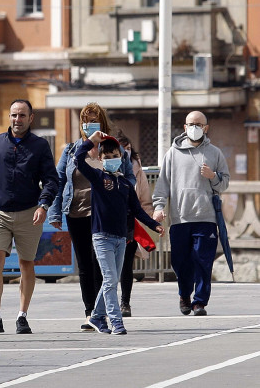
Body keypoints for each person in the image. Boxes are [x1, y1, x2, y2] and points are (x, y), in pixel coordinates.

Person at [0, 99, 59, 335]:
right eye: (13, 115)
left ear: (31, 118)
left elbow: (51, 179)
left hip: (30, 212)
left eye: (21, 115)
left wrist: (44, 205)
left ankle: (22, 316)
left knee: (26, 263)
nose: (17, 120)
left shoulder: (40, 146)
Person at [47, 103, 136, 331]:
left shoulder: (114, 150)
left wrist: (122, 200)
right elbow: (60, 182)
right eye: (86, 120)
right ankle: (90, 313)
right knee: (85, 265)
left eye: (94, 119)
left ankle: (102, 313)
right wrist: (54, 211)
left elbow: (129, 179)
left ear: (103, 122)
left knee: (103, 268)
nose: (90, 124)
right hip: (77, 212)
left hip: (104, 216)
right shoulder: (71, 150)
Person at [75, 131, 163, 335]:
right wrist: (91, 141)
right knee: (109, 279)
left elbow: (137, 209)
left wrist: (153, 225)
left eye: (115, 156)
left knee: (112, 280)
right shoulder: (98, 178)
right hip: (102, 236)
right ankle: (116, 321)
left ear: (121, 157)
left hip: (121, 238)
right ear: (100, 159)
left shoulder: (125, 184)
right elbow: (78, 160)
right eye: (107, 157)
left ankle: (97, 316)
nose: (111, 160)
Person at [152, 111, 230, 317]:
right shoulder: (172, 154)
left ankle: (200, 302)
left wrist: (213, 176)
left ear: (206, 128)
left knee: (203, 261)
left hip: (206, 217)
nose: (195, 127)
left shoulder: (215, 153)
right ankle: (184, 294)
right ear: (184, 127)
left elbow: (225, 183)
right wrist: (159, 207)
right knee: (180, 261)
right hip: (180, 218)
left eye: (199, 124)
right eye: (191, 124)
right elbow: (162, 186)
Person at [116, 133, 155, 317]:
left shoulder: (137, 169)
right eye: (122, 148)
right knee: (105, 267)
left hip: (130, 222)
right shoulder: (104, 167)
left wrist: (152, 221)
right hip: (108, 222)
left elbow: (145, 201)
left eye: (129, 148)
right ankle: (102, 305)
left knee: (126, 265)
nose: (126, 152)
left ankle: (125, 302)